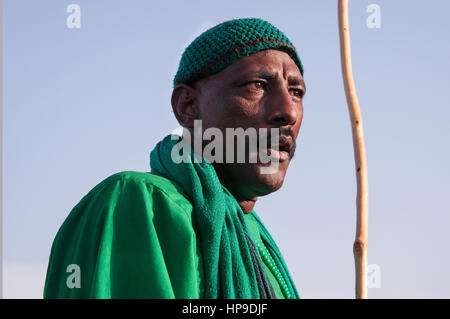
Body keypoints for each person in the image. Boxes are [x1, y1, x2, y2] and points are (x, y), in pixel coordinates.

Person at [44, 17, 306, 299]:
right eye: (257, 85)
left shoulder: (255, 238)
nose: (288, 112)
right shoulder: (139, 203)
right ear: (188, 106)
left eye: (296, 92)